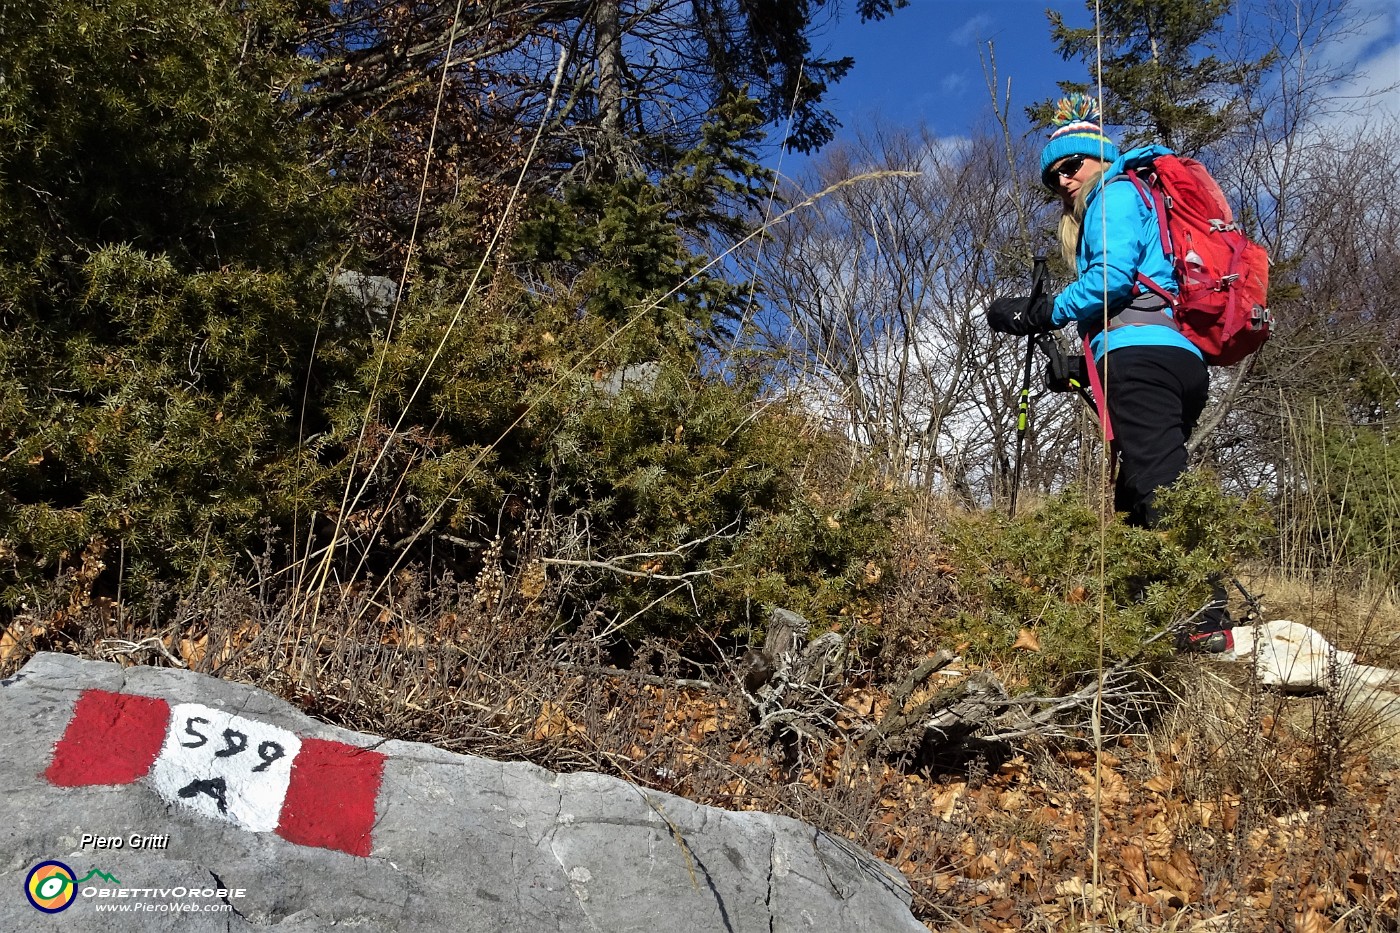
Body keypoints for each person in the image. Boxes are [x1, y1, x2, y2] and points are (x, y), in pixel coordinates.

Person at [986, 93, 1230, 651]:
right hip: (1171, 358)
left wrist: (1038, 312)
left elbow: (1112, 282)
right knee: (1136, 492)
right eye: (1054, 177)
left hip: (1142, 359)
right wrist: (1075, 370)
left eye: (1072, 165)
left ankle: (1207, 622)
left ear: (1098, 157)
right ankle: (1153, 621)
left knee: (1159, 483)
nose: (1065, 181)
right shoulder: (1140, 200)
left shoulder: (1116, 192)